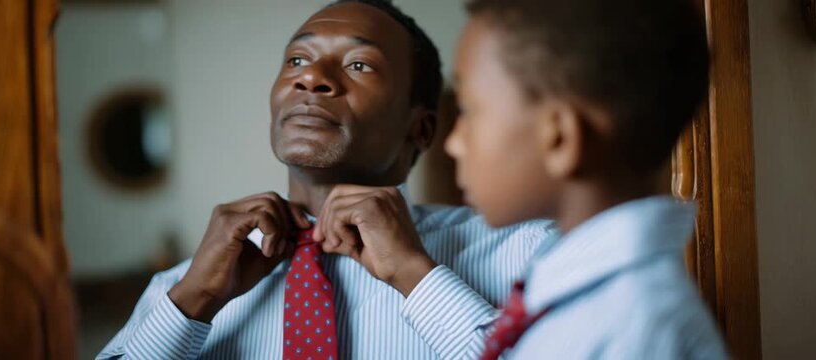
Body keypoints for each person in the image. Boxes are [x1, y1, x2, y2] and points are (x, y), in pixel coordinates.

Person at [98, 1, 557, 359]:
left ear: (420, 128)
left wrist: (418, 279)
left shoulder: (526, 254)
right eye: (297, 60)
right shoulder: (178, 289)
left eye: (359, 65)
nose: (312, 77)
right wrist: (193, 301)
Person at [443, 0, 727, 358]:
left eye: (468, 111)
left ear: (560, 137)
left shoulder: (635, 329)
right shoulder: (581, 299)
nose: (453, 143)